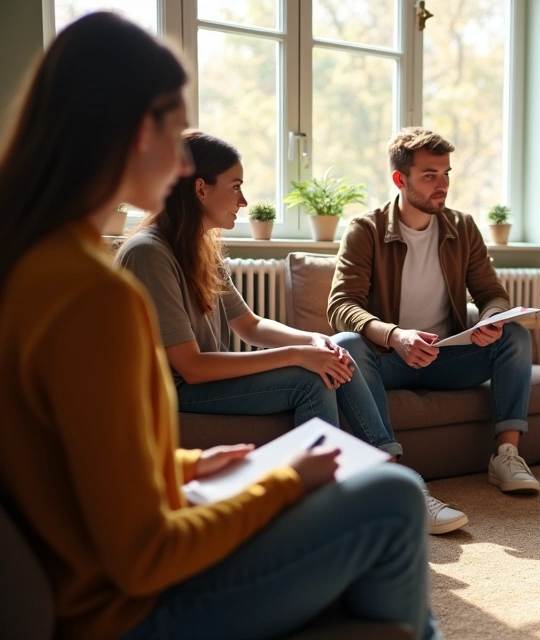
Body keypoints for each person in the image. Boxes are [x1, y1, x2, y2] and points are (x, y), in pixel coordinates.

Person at [0, 14, 439, 639]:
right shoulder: (97, 292)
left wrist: (182, 467)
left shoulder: (32, 263)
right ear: (134, 134)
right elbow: (145, 555)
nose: (182, 160)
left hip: (94, 580)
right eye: (177, 135)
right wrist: (283, 484)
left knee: (372, 519)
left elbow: (70, 457)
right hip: (123, 614)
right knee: (394, 499)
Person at [114, 129, 467, 536]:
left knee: (335, 350)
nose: (244, 201)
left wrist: (312, 341)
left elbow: (249, 324)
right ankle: (330, 510)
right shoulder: (150, 253)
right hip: (174, 389)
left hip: (195, 379)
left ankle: (395, 480)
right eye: (236, 187)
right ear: (200, 189)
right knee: (308, 380)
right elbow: (190, 367)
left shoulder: (199, 247)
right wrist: (298, 356)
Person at [328, 126, 540, 493]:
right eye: (429, 175)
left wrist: (491, 318)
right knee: (347, 343)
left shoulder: (463, 227)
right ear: (400, 178)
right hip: (389, 358)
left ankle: (506, 455)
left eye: (445, 174)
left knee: (515, 336)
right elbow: (341, 305)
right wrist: (395, 336)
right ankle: (393, 473)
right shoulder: (365, 230)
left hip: (448, 358)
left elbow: (491, 292)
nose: (441, 184)